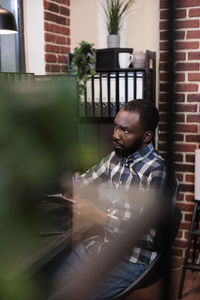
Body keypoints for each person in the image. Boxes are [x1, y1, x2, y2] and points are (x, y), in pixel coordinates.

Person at [46, 99, 178, 300]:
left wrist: (99, 217)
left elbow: (148, 236)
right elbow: (83, 181)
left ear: (147, 136)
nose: (115, 135)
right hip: (103, 245)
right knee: (46, 280)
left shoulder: (157, 172)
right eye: (116, 126)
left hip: (132, 258)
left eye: (125, 131)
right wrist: (68, 184)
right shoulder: (115, 158)